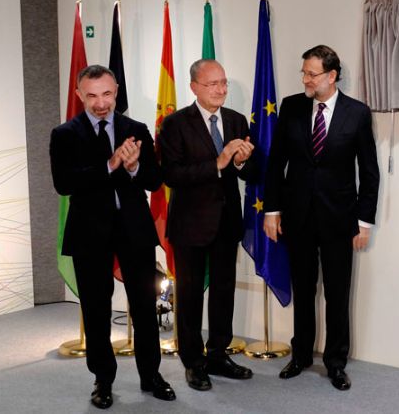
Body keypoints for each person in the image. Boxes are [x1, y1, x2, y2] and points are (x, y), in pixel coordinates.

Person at [49, 65, 176, 409]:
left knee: (145, 308)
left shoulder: (136, 129)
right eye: (91, 95)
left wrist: (134, 167)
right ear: (79, 95)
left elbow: (153, 180)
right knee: (96, 309)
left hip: (133, 230)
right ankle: (102, 379)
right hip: (89, 232)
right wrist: (110, 165)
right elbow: (64, 183)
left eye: (106, 94)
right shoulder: (65, 134)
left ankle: (151, 376)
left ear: (116, 90)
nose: (100, 103)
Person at [263, 45, 380, 391]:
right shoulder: (292, 106)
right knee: (303, 288)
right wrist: (272, 210)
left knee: (337, 292)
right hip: (297, 216)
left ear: (332, 76)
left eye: (311, 73)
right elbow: (275, 163)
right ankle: (300, 355)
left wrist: (364, 221)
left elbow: (369, 172)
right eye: (303, 72)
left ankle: (336, 362)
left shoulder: (357, 113)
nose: (305, 79)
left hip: (340, 219)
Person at [158, 59, 256, 391]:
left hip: (227, 221)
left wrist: (242, 163)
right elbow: (171, 175)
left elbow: (251, 173)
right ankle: (193, 361)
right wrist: (219, 161)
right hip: (190, 223)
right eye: (213, 84)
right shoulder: (175, 124)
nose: (221, 90)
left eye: (224, 83)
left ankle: (218, 354)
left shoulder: (236, 120)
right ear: (194, 88)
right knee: (189, 295)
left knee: (224, 292)